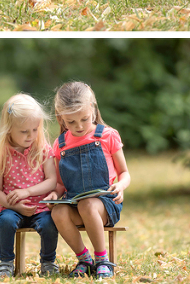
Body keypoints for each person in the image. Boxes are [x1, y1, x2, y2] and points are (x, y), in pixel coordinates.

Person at [42, 82, 130, 279]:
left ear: (93, 108)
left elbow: (125, 172)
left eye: (84, 119)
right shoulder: (60, 143)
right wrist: (55, 194)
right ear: (60, 116)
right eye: (71, 122)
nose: (79, 126)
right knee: (59, 212)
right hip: (74, 202)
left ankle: (102, 260)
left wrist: (121, 186)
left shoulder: (107, 135)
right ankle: (84, 259)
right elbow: (60, 183)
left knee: (88, 205)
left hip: (105, 205)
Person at [0, 94, 59, 279]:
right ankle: (5, 263)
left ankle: (48, 262)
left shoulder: (43, 150)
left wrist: (27, 192)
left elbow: (52, 180)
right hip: (12, 208)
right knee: (6, 222)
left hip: (41, 207)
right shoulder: (0, 155)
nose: (31, 136)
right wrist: (13, 205)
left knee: (50, 224)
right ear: (9, 129)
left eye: (35, 129)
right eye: (24, 131)